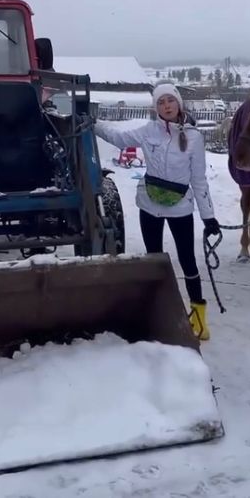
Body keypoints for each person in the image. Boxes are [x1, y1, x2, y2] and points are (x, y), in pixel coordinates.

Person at [94, 82, 220, 340]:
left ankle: (199, 317)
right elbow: (119, 139)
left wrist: (209, 217)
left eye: (170, 101)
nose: (166, 106)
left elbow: (199, 180)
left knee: (187, 261)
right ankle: (155, 314)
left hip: (180, 208)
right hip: (150, 205)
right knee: (153, 259)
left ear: (178, 103)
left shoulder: (194, 137)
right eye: (161, 102)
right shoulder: (149, 130)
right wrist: (92, 123)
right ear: (156, 108)